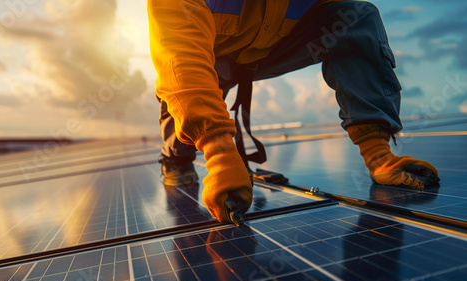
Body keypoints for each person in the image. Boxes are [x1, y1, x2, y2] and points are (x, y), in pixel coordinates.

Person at [147, 0, 440, 223]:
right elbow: (180, 58)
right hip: (210, 57)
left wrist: (378, 152)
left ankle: (377, 154)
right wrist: (219, 152)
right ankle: (176, 162)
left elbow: (353, 35)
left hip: (270, 51)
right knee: (179, 127)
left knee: (354, 16)